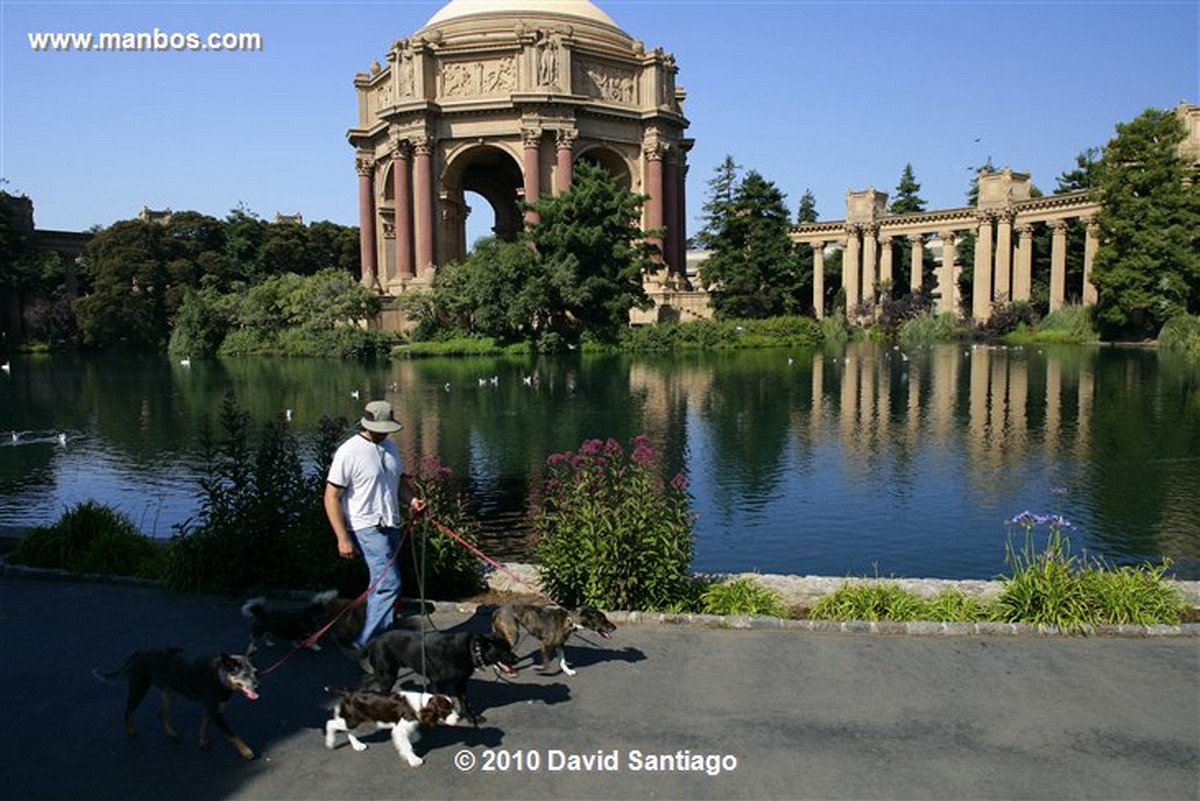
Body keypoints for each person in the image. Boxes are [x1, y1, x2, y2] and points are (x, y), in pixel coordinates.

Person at [324, 399, 426, 649]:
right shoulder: (349, 451)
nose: (386, 432)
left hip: (391, 523)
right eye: (382, 428)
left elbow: (398, 483)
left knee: (382, 586)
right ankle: (365, 644)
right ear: (368, 424)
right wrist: (342, 537)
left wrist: (412, 500)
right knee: (389, 585)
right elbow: (331, 496)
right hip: (366, 527)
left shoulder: (391, 447)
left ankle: (383, 642)